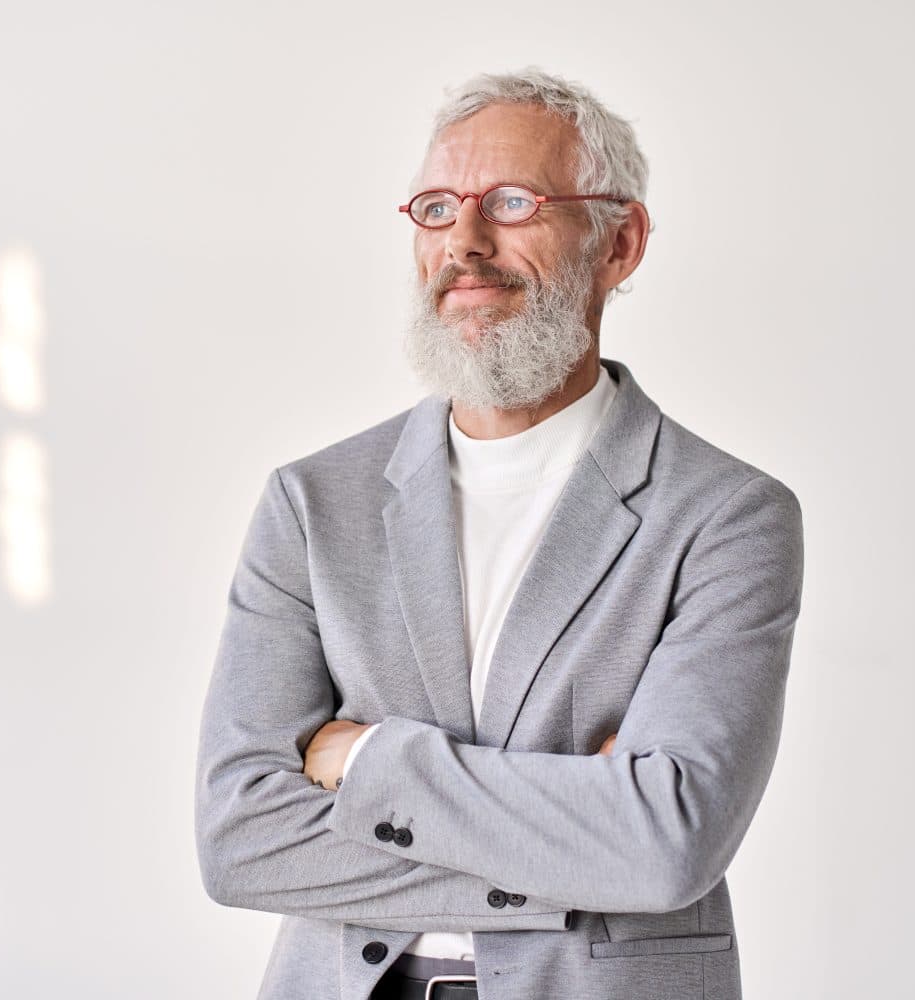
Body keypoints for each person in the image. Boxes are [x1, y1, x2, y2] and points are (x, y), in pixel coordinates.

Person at [194, 67, 804, 1000]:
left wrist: (361, 761)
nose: (465, 244)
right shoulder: (314, 504)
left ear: (620, 242)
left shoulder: (727, 516)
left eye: (512, 203)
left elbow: (667, 844)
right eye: (437, 208)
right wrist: (574, 838)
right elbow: (240, 839)